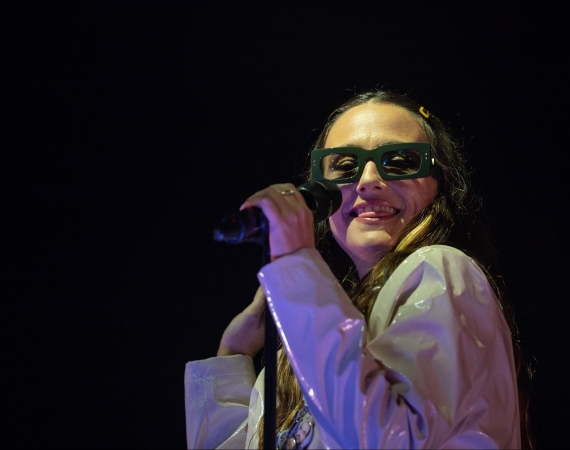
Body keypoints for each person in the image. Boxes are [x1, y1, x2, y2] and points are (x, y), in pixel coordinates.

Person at [185, 90, 533, 449]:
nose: (367, 180)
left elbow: (386, 438)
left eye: (399, 161)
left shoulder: (443, 270)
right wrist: (233, 354)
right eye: (344, 166)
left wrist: (295, 265)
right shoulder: (302, 355)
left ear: (438, 185)